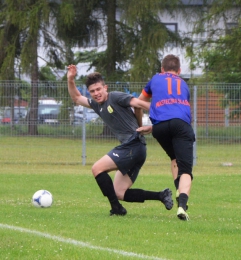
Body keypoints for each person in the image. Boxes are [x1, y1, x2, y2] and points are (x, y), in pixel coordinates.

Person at [67, 65, 173, 216]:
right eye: (92, 91)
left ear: (105, 87)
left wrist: (163, 110)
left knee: (97, 168)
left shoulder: (114, 97)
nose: (96, 93)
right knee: (118, 192)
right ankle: (161, 195)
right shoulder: (97, 105)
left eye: (98, 89)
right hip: (137, 148)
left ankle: (116, 209)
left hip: (133, 145)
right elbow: (76, 98)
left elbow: (138, 104)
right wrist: (70, 79)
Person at [137, 54, 195, 221]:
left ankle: (178, 188)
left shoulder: (155, 78)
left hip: (160, 128)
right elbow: (179, 109)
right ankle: (182, 206)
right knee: (186, 170)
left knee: (174, 157)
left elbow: (139, 102)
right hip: (180, 125)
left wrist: (141, 122)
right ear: (179, 70)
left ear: (162, 69)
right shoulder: (184, 84)